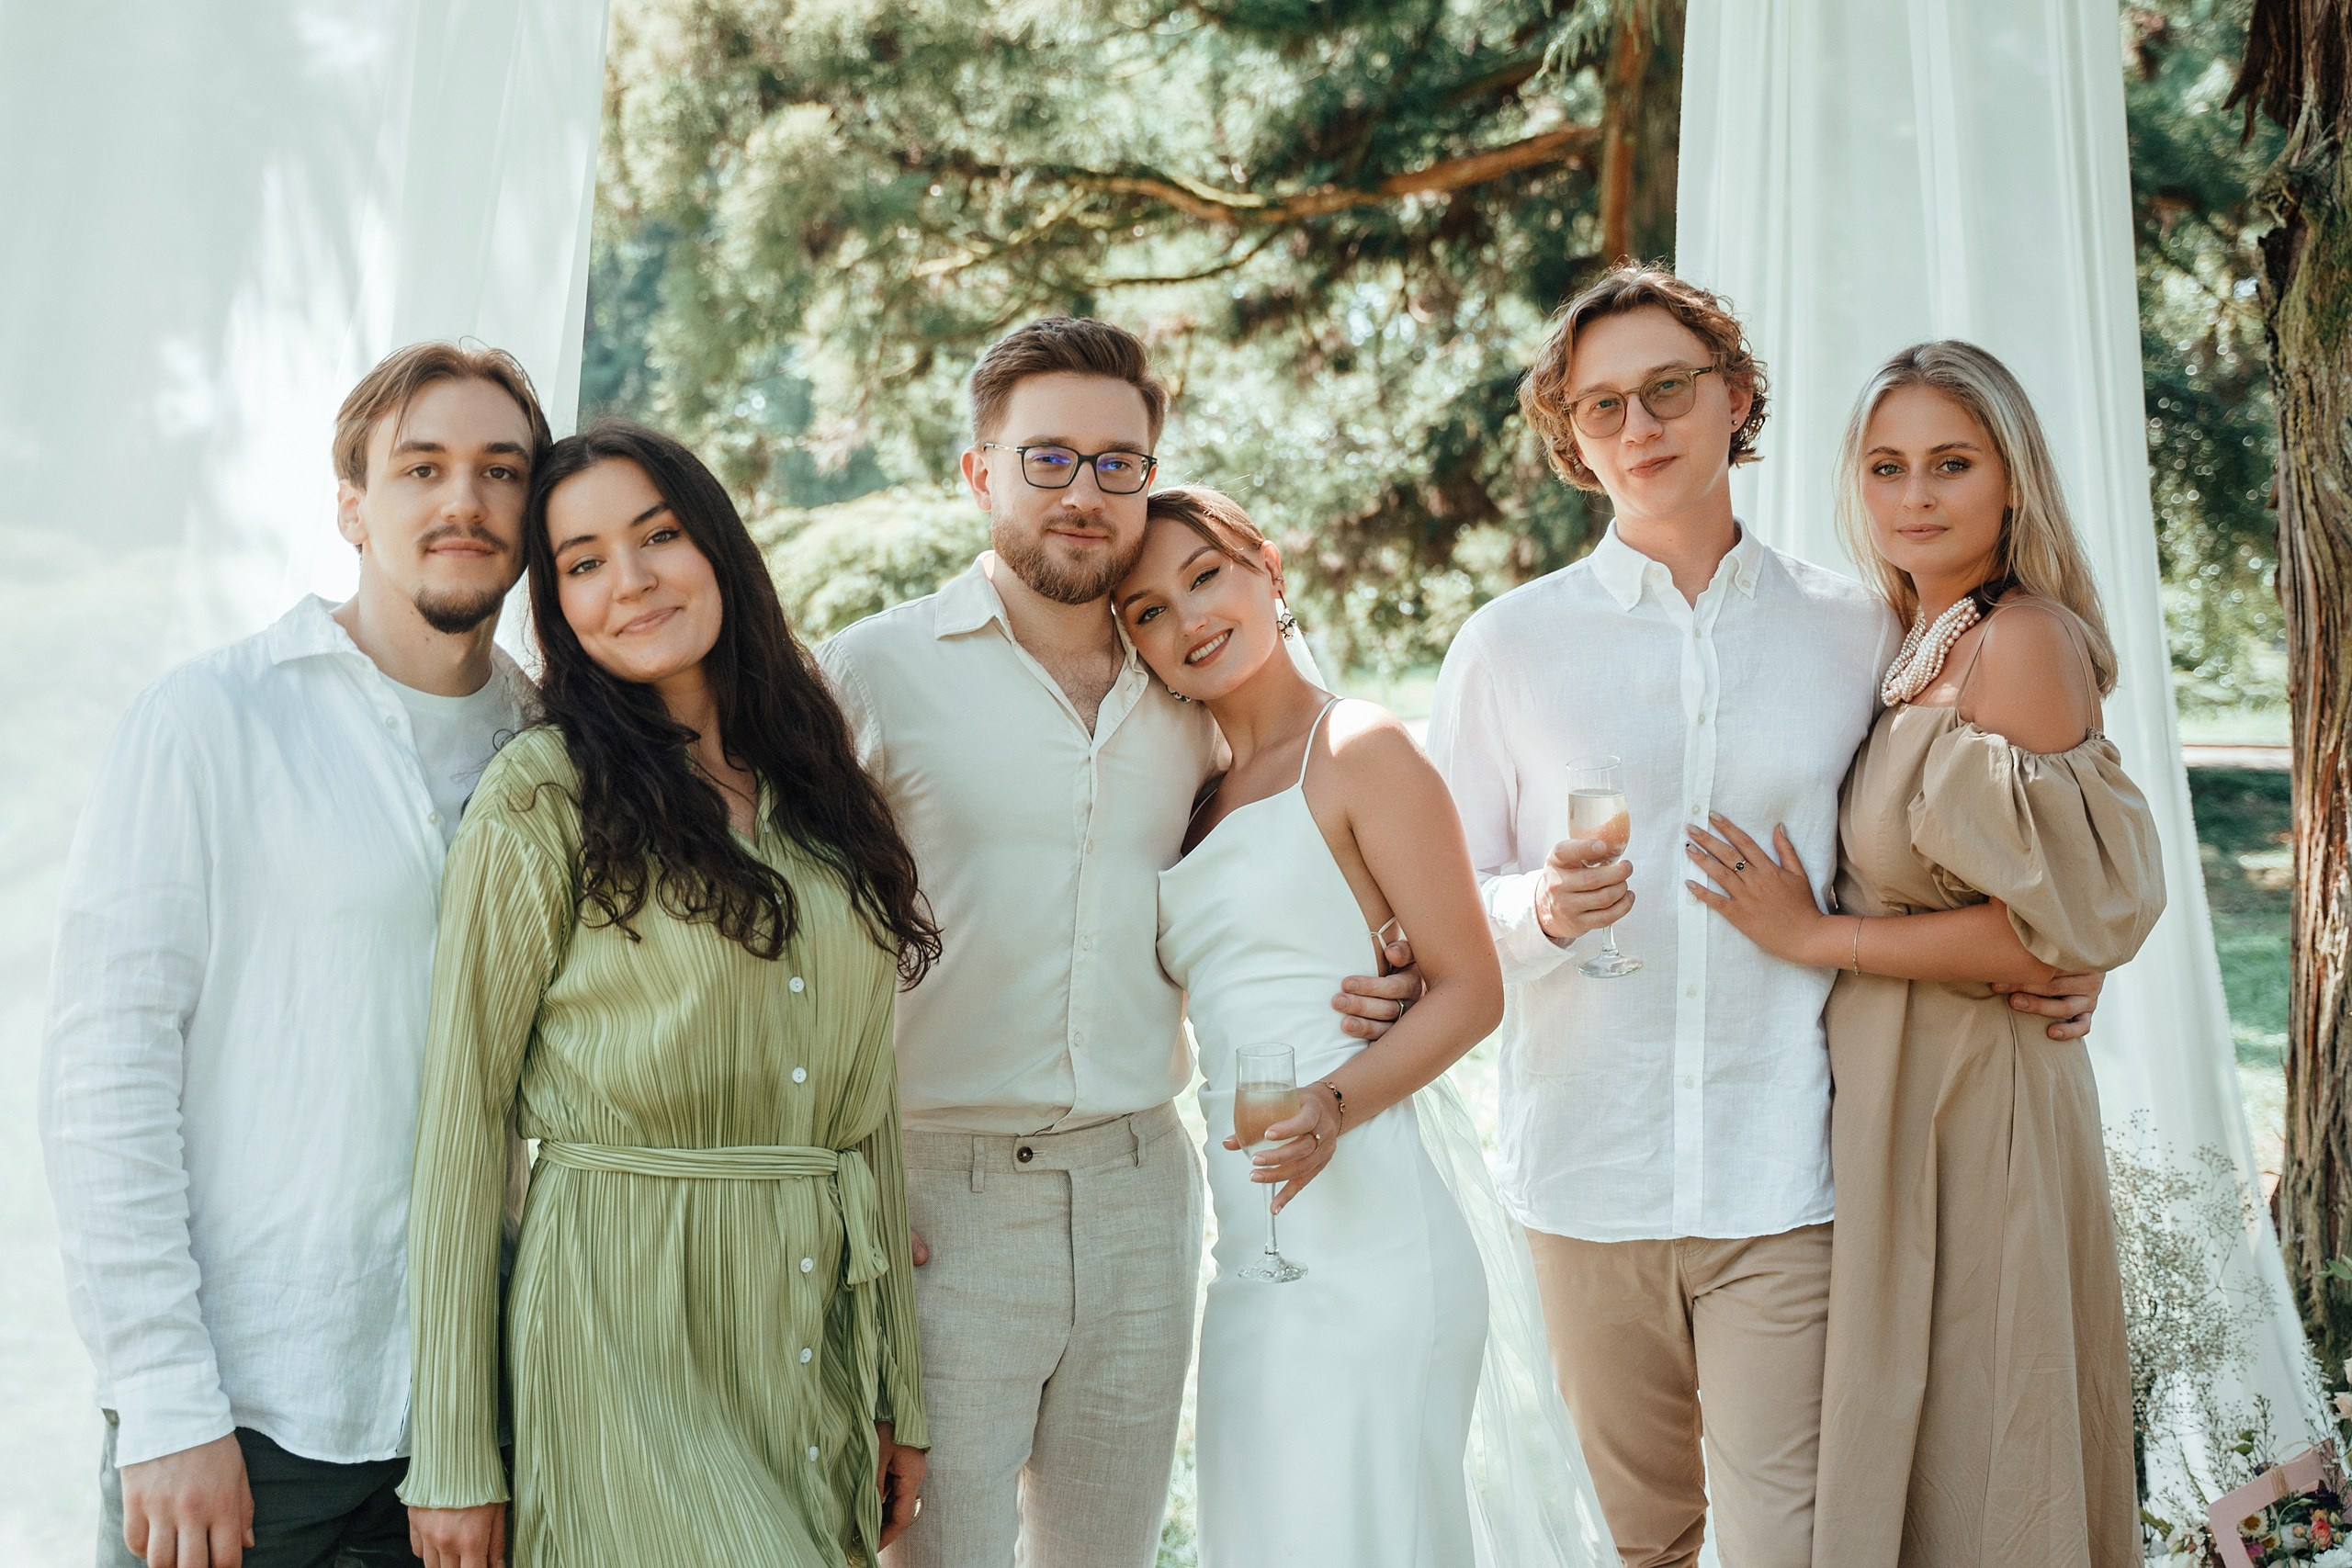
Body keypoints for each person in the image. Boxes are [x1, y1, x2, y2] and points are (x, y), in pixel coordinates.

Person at [1425, 265, 2106, 1568]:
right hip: (1585, 1174)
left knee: (1799, 1542)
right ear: (1569, 433)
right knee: (1641, 1541)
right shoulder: (1507, 645)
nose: (1640, 424)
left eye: (1669, 386)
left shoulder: (1859, 626)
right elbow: (1445, 903)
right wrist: (1541, 908)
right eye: (1602, 402)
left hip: (1785, 1173)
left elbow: (1972, 838)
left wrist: (2068, 960)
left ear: (1735, 396)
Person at [816, 317, 1421, 1568]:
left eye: (1117, 461)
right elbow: (786, 953)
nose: (1085, 491)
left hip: (1146, 1189)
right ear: (980, 473)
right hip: (942, 1195)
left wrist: (1388, 947)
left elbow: (1305, 846)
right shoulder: (871, 674)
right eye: (1048, 459)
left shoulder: (1193, 686)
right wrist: (844, 1191)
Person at [40, 343, 549, 1568]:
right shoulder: (213, 717)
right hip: (243, 1416)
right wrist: (163, 1393)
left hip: (468, 1430)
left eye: (500, 470)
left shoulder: (557, 746)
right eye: (420, 466)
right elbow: (106, 1071)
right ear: (352, 504)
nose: (462, 500)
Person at [398, 422, 936, 1568]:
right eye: (584, 562)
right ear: (556, 606)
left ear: (719, 551)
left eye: (659, 536)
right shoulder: (541, 802)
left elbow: (862, 1099)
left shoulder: (819, 782)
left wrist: (897, 1386)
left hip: (809, 1346)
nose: (630, 581)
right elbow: (460, 1130)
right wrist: (453, 1450)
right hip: (619, 1335)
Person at [1690, 341, 2163, 1568]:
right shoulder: (1915, 635)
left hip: (1979, 1096)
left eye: (1951, 464)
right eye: (1886, 466)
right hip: (1898, 1091)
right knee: (1916, 1418)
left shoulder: (2024, 641)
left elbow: (2061, 916)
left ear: (2013, 478)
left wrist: (1816, 934)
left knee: (1987, 1429)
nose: (1915, 497)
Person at [1116, 485, 1616, 1568]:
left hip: (1374, 1234)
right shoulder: (1191, 793)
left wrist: (1333, 1103)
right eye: (1146, 610)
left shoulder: (1355, 747)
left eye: (1204, 576)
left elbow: (1469, 988)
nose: (1187, 619)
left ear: (1268, 566)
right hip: (1253, 1246)